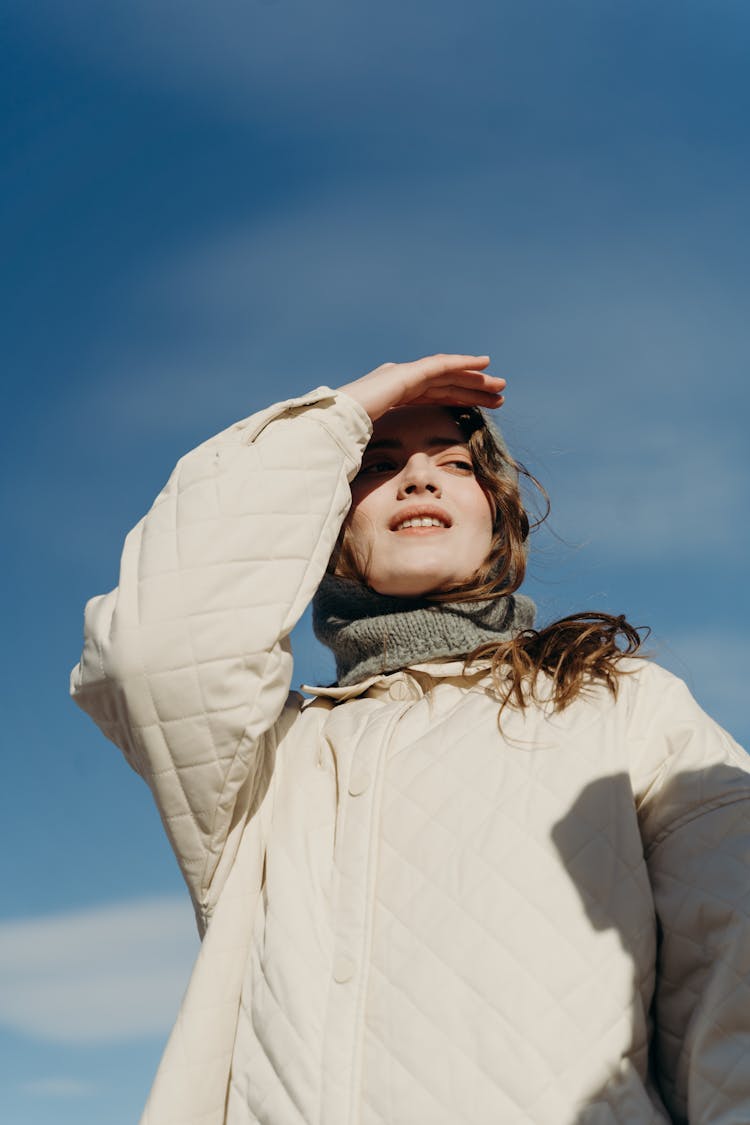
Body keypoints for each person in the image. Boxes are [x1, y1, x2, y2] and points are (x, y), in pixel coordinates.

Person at [70, 354, 750, 1125]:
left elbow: (736, 960)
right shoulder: (268, 760)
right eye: (380, 464)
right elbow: (155, 651)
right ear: (328, 523)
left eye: (454, 463)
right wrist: (334, 421)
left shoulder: (619, 701)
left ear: (497, 516)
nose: (419, 479)